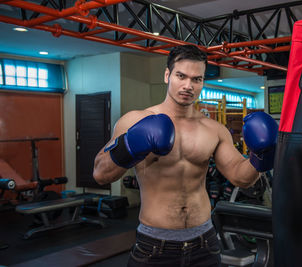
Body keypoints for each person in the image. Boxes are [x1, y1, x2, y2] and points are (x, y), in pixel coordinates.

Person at [93, 44, 278, 267]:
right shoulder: (135, 120)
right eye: (181, 76)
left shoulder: (213, 129)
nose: (188, 85)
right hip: (154, 245)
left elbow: (242, 177)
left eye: (196, 79)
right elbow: (100, 174)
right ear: (167, 75)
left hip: (205, 242)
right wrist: (130, 144)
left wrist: (262, 156)